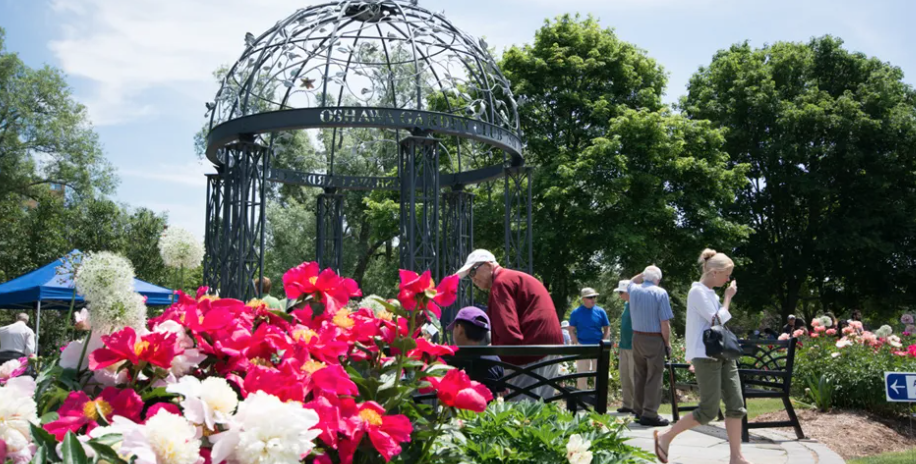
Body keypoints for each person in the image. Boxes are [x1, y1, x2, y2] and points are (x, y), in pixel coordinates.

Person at [654, 249, 751, 464]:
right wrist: (728, 298)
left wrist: (723, 299)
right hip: (707, 356)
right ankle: (665, 437)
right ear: (714, 272)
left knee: (736, 406)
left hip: (723, 353)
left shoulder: (711, 294)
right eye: (726, 275)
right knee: (708, 410)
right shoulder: (696, 292)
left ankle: (736, 457)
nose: (728, 280)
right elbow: (716, 320)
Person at [456, 249, 563, 401]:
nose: (473, 279)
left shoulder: (501, 283)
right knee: (543, 407)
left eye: (473, 272)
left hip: (531, 350)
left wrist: (503, 372)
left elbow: (508, 333)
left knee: (520, 409)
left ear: (488, 265)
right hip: (550, 347)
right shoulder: (512, 278)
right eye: (469, 276)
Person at [627, 265, 674, 427]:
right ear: (658, 279)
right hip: (654, 338)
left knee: (639, 374)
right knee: (654, 377)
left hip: (637, 337)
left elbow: (630, 281)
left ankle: (639, 410)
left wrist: (644, 273)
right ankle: (650, 413)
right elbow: (664, 322)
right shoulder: (660, 293)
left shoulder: (634, 290)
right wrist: (667, 343)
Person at [446, 306, 505, 397]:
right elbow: (502, 391)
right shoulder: (495, 359)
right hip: (488, 405)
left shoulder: (450, 358)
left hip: (460, 405)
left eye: (454, 327)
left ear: (460, 329)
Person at [568, 287, 611, 390]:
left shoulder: (600, 311)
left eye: (594, 297)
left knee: (600, 373)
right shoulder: (576, 312)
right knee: (582, 374)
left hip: (598, 346)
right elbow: (571, 330)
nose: (593, 299)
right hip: (583, 346)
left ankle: (599, 396)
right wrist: (577, 343)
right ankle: (582, 396)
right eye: (590, 297)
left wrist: (603, 341)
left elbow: (607, 328)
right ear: (583, 299)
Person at [614, 280, 636, 415]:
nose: (619, 295)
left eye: (621, 292)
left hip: (634, 346)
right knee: (625, 376)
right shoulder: (626, 305)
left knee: (634, 376)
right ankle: (627, 404)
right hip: (624, 345)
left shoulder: (637, 304)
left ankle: (637, 405)